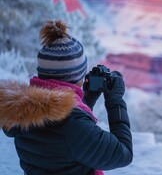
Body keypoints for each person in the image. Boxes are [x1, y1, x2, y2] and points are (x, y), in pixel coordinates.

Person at [0, 20, 133, 175]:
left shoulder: (23, 111)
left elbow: (63, 140)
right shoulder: (72, 125)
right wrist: (115, 100)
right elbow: (123, 153)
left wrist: (88, 99)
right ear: (76, 77)